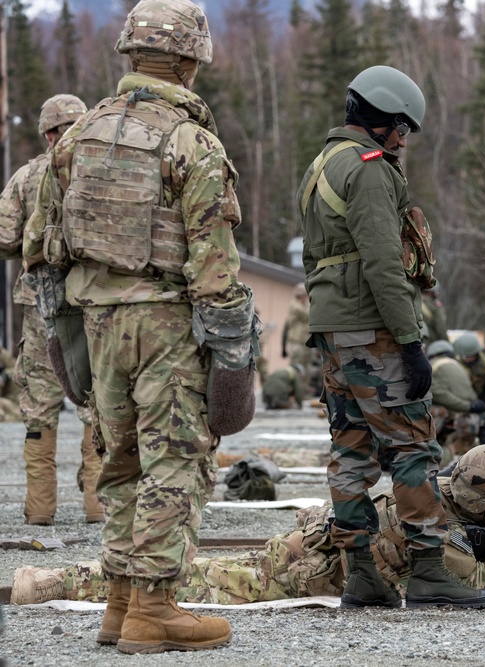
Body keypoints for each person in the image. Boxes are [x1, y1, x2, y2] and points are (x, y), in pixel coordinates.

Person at [21, 0, 257, 654]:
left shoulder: (76, 139)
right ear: (190, 61)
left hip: (98, 324)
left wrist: (63, 340)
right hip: (166, 327)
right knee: (175, 461)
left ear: (131, 55)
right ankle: (154, 607)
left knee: (120, 460)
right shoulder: (192, 143)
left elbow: (44, 253)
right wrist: (234, 363)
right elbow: (215, 270)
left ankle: (121, 602)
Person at [296, 64, 485, 610]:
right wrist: (411, 342)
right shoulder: (369, 169)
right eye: (402, 129)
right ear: (381, 120)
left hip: (334, 328)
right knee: (411, 444)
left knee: (350, 448)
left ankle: (361, 573)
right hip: (374, 326)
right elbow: (385, 264)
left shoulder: (321, 165)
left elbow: (316, 259)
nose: (404, 140)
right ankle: (429, 570)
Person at [12, 445, 485, 604]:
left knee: (189, 570)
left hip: (306, 549)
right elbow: (482, 585)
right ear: (478, 507)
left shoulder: (434, 494)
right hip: (296, 573)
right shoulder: (435, 527)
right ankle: (49, 583)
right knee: (181, 580)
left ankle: (54, 580)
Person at [0, 93, 103, 526]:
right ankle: (100, 506)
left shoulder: (28, 177)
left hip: (41, 306)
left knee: (39, 408)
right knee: (95, 402)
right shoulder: (101, 172)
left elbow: (5, 239)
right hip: (93, 303)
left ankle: (40, 510)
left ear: (47, 132)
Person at [426, 339, 485, 460]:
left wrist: (466, 406)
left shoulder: (432, 365)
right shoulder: (458, 366)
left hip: (454, 414)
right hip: (471, 418)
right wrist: (470, 406)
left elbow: (438, 393)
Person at [281, 283, 312, 376]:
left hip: (304, 341)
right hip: (297, 341)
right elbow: (308, 315)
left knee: (305, 369)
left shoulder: (303, 305)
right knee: (296, 368)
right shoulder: (295, 306)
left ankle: (301, 389)